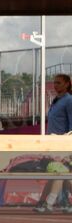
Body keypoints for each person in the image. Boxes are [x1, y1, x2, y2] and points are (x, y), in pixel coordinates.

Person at [38, 74, 72, 213]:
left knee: (60, 174)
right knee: (61, 175)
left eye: (58, 83)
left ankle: (47, 203)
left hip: (63, 145)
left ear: (67, 84)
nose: (55, 85)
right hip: (53, 145)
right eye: (54, 83)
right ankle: (56, 203)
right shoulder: (56, 101)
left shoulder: (69, 101)